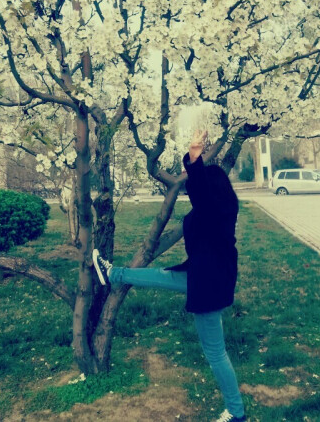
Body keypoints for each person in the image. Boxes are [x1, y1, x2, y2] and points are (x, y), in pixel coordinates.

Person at [92, 130, 246, 422]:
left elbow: (199, 189)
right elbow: (201, 193)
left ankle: (236, 412)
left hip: (208, 287)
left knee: (216, 353)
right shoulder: (222, 207)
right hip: (206, 276)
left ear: (210, 189)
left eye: (196, 187)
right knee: (160, 275)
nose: (190, 190)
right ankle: (114, 273)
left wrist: (195, 157)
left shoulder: (211, 208)